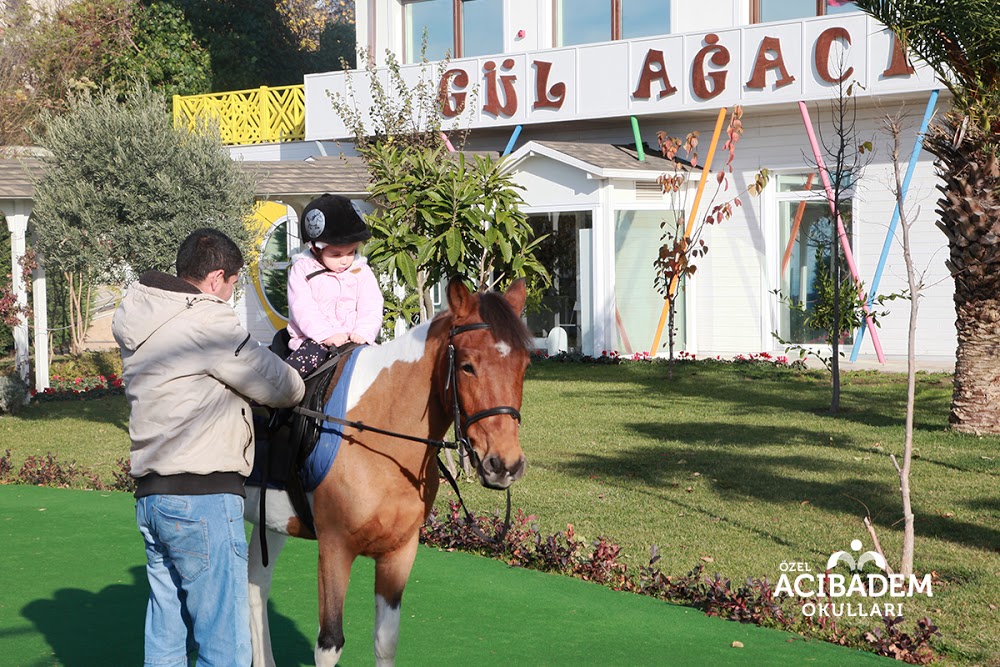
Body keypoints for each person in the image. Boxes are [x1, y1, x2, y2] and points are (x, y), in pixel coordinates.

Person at [112, 227, 305, 667]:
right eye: (234, 284)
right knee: (226, 646)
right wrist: (295, 382)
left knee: (166, 634)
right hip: (203, 498)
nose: (232, 295)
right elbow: (277, 384)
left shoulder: (140, 314)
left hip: (152, 497)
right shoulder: (205, 320)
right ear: (217, 277)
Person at [285, 193, 384, 375]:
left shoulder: (362, 271)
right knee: (287, 381)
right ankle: (271, 400)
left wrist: (363, 332)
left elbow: (371, 305)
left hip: (355, 340)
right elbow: (303, 309)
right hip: (315, 342)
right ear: (315, 248)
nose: (345, 261)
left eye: (351, 252)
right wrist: (326, 335)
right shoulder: (302, 270)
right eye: (337, 255)